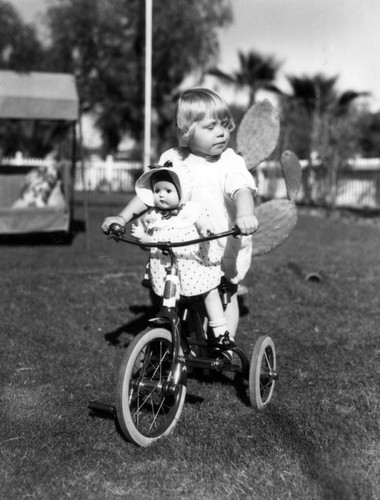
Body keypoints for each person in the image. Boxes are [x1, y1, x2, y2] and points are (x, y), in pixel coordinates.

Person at [102, 87, 258, 342]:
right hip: (180, 243)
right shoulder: (173, 159)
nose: (221, 132)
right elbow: (150, 194)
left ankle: (224, 344)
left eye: (225, 125)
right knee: (186, 294)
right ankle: (186, 343)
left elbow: (242, 190)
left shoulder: (229, 161)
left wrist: (245, 214)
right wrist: (122, 217)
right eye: (210, 127)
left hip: (219, 241)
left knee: (223, 293)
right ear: (186, 131)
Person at [130, 163, 232, 344]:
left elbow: (202, 221)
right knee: (170, 301)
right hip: (168, 269)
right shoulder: (153, 216)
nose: (161, 194)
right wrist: (142, 238)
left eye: (168, 191)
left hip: (194, 264)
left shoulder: (191, 210)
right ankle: (174, 337)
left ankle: (221, 332)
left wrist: (205, 228)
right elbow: (149, 245)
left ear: (182, 192)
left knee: (210, 292)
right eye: (157, 190)